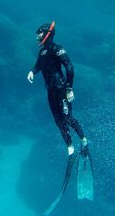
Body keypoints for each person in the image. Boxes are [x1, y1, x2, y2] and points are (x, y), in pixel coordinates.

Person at [27, 21, 88, 156]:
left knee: (68, 118)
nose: (37, 36)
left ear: (48, 34)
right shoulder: (42, 52)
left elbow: (69, 67)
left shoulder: (57, 49)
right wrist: (32, 71)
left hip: (61, 89)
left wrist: (69, 88)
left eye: (40, 33)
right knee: (58, 120)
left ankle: (84, 140)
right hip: (50, 91)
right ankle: (70, 147)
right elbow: (38, 65)